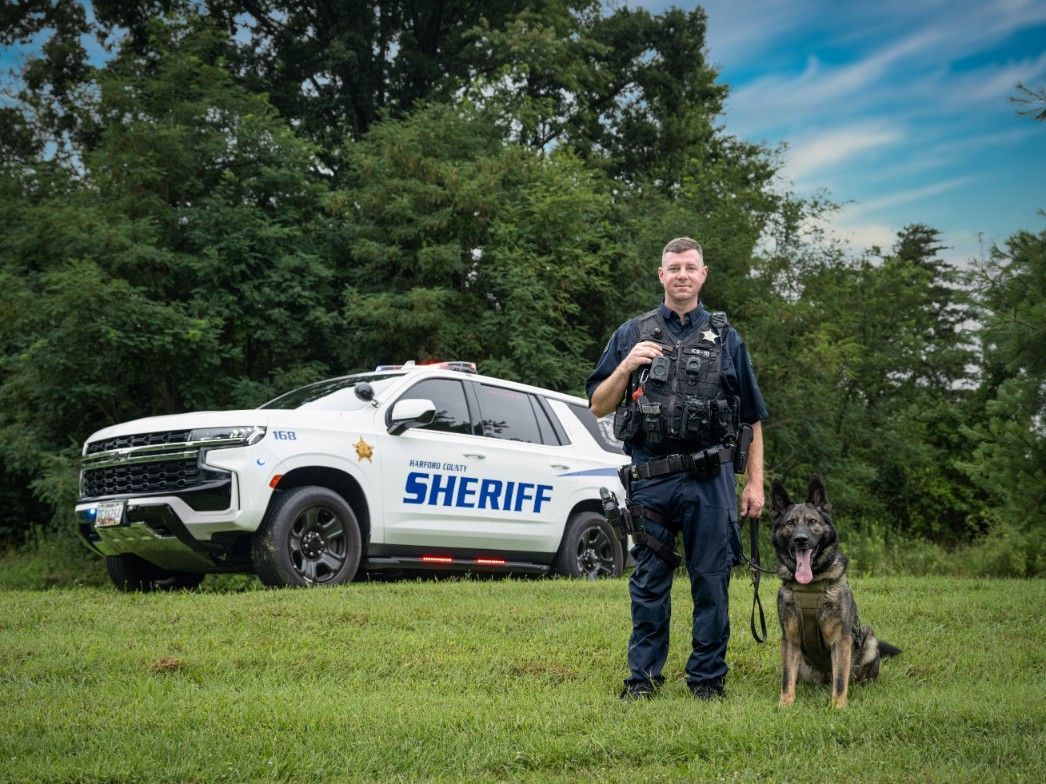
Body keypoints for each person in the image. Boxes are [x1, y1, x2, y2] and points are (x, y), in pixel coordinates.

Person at [586, 237, 767, 701]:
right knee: (649, 583)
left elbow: (751, 417)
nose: (682, 275)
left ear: (703, 274)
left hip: (713, 480)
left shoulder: (728, 338)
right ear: (661, 275)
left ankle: (707, 681)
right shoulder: (632, 333)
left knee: (712, 581)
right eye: (674, 267)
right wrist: (626, 366)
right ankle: (642, 681)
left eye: (691, 267)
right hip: (652, 478)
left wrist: (755, 485)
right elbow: (597, 405)